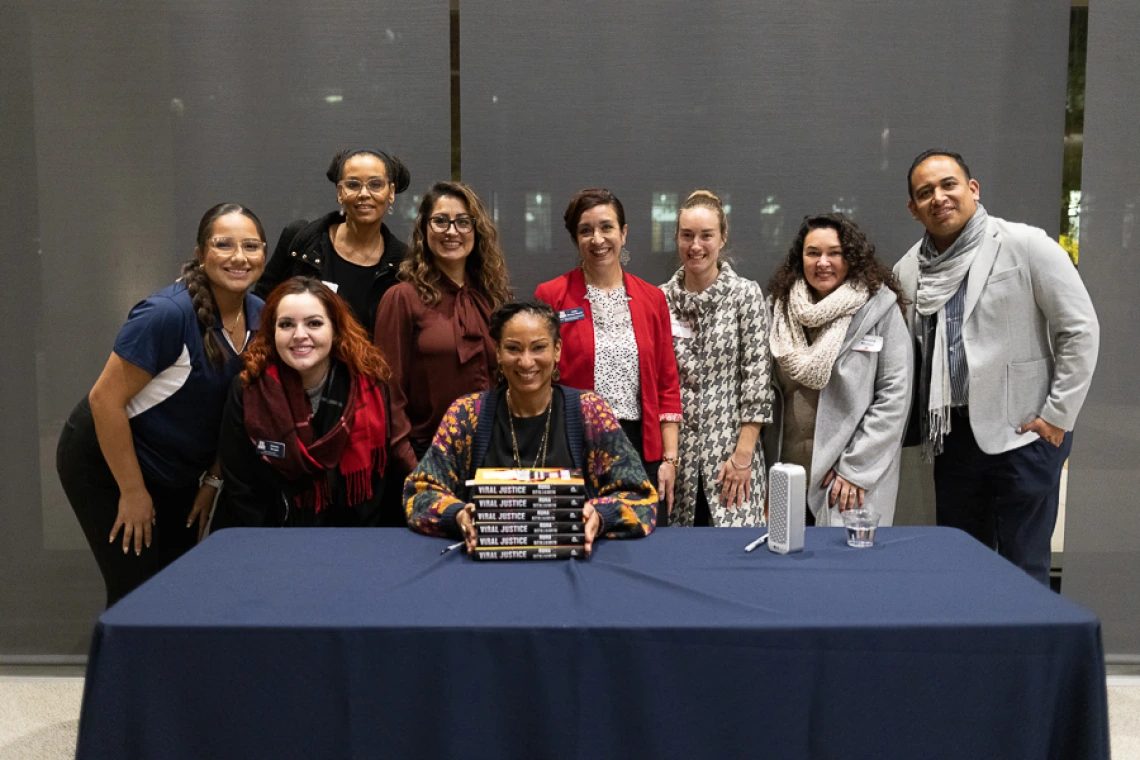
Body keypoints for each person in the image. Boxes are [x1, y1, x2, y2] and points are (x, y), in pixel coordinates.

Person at [894, 149, 1099, 585]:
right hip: (953, 442)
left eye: (949, 184)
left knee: (1024, 571)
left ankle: (1030, 655)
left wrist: (1057, 417)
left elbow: (1079, 330)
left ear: (972, 189)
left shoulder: (1025, 245)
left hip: (1024, 434)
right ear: (914, 209)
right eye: (925, 192)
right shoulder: (909, 270)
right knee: (963, 571)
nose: (939, 197)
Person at [56, 203, 266, 607]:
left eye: (251, 246)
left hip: (177, 470)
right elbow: (104, 401)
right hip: (105, 462)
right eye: (224, 245)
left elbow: (239, 411)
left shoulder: (262, 317)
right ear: (201, 254)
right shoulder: (166, 315)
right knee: (135, 592)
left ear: (264, 255)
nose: (239, 257)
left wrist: (213, 479)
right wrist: (132, 492)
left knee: (176, 586)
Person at [405, 299, 657, 552]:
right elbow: (418, 495)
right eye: (513, 348)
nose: (526, 362)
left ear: (557, 349)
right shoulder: (466, 414)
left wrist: (601, 516)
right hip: (484, 567)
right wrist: (458, 515)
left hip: (572, 560)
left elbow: (641, 497)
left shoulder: (590, 412)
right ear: (498, 352)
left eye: (538, 348)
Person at [535, 188, 682, 522]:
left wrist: (669, 460)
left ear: (624, 232)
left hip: (638, 446)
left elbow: (667, 384)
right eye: (586, 230)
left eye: (606, 227)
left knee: (637, 541)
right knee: (577, 537)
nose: (597, 239)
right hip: (574, 444)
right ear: (575, 238)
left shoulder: (652, 299)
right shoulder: (552, 296)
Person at [211, 277, 392, 528]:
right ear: (272, 332)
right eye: (286, 324)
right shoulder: (247, 388)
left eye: (314, 323)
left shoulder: (367, 389)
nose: (299, 335)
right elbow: (240, 486)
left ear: (336, 329)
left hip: (346, 538)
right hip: (262, 535)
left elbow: (376, 487)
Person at [767, 213, 911, 527]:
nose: (823, 262)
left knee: (845, 572)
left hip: (848, 482)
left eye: (835, 253)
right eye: (813, 253)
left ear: (852, 258)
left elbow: (894, 398)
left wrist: (856, 470)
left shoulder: (880, 310)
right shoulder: (777, 310)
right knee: (783, 569)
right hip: (784, 476)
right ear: (799, 258)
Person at [374, 181, 511, 479]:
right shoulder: (402, 298)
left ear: (477, 230)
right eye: (440, 221)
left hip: (492, 455)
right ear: (424, 229)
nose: (452, 232)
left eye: (463, 222)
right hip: (427, 457)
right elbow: (388, 392)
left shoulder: (494, 300)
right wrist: (412, 464)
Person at [660, 190, 773, 527]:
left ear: (722, 238)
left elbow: (757, 382)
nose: (696, 245)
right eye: (687, 235)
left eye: (706, 235)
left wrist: (742, 458)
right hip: (678, 462)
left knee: (735, 561)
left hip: (731, 459)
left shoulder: (745, 295)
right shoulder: (660, 299)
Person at [256, 148, 411, 337]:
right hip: (300, 362)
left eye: (375, 185)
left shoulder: (404, 263)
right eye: (353, 185)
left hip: (370, 365)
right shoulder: (303, 241)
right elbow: (262, 304)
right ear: (340, 193)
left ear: (391, 193)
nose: (364, 193)